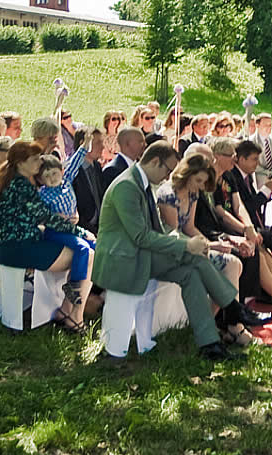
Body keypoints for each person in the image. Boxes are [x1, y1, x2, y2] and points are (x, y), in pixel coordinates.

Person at [93, 140, 255, 363]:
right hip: (125, 260)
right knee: (194, 260)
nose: (169, 175)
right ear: (155, 161)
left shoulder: (141, 182)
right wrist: (186, 245)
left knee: (192, 270)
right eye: (168, 170)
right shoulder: (126, 186)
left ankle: (210, 343)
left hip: (140, 254)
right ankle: (232, 310)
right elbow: (141, 236)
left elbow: (161, 230)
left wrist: (190, 244)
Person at [0, 138, 97, 333]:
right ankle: (74, 315)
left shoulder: (14, 180)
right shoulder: (21, 186)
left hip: (15, 244)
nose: (40, 162)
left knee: (85, 253)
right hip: (19, 248)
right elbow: (48, 218)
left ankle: (67, 310)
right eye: (36, 159)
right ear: (22, 163)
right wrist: (83, 232)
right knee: (87, 255)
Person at [154, 154, 256, 343]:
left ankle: (222, 323)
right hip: (172, 249)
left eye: (203, 182)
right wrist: (211, 245)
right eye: (198, 180)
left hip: (190, 245)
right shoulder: (168, 194)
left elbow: (190, 228)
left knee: (234, 263)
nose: (201, 186)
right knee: (228, 264)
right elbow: (174, 234)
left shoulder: (192, 193)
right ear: (186, 174)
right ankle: (225, 324)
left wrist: (212, 244)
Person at [210, 139, 272, 315]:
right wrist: (245, 229)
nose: (233, 158)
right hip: (227, 230)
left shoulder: (230, 176)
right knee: (260, 250)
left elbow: (239, 206)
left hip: (246, 227)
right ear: (217, 156)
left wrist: (248, 228)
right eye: (230, 155)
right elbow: (221, 213)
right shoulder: (215, 179)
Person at [95, 124, 147, 201]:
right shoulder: (112, 170)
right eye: (141, 142)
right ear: (127, 144)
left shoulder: (138, 166)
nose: (145, 145)